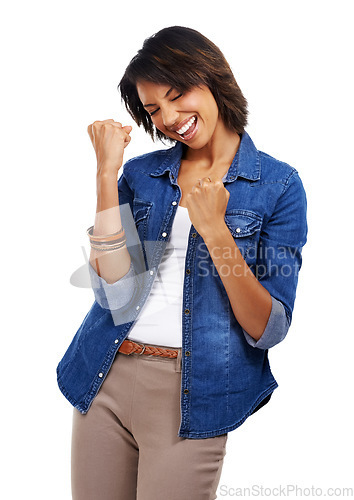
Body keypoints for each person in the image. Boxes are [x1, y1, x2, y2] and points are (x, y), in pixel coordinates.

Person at [57, 26, 308, 500]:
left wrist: (216, 232)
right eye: (154, 109)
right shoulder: (142, 174)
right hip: (104, 375)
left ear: (213, 78)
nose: (170, 118)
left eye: (177, 95)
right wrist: (107, 174)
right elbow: (114, 293)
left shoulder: (278, 186)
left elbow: (268, 328)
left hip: (193, 393)